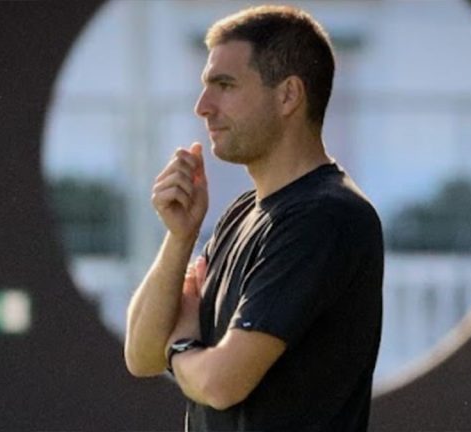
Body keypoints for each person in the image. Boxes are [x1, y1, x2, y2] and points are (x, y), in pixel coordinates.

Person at [124, 5, 383, 431]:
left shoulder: (326, 216)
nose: (202, 107)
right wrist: (179, 237)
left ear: (287, 95)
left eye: (224, 85)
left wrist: (182, 345)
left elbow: (221, 383)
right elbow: (140, 354)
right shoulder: (241, 213)